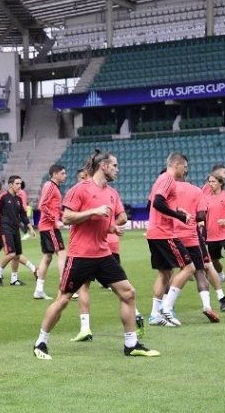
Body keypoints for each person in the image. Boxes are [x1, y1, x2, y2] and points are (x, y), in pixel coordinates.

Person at [33, 150, 159, 360]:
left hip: (103, 254)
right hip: (80, 256)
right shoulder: (80, 189)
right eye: (115, 166)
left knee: (128, 293)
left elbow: (115, 218)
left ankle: (131, 344)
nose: (118, 170)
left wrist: (112, 228)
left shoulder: (112, 193)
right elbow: (67, 217)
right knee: (63, 299)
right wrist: (93, 212)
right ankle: (41, 342)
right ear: (104, 166)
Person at [146, 153, 194, 328]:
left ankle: (154, 314)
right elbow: (158, 203)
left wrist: (178, 211)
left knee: (165, 273)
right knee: (189, 267)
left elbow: (152, 203)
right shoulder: (167, 179)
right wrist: (178, 217)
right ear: (175, 164)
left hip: (155, 232)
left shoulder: (161, 179)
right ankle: (167, 307)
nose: (185, 170)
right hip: (164, 233)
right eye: (185, 166)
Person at [174, 176, 222, 322]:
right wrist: (199, 221)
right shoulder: (196, 190)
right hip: (192, 236)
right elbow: (201, 215)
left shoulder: (169, 190)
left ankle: (167, 307)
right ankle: (207, 306)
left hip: (173, 235)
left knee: (167, 273)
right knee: (200, 271)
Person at [0, 175, 36, 287]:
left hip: (15, 229)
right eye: (17, 183)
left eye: (20, 184)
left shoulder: (19, 199)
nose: (19, 186)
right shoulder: (3, 196)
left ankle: (14, 279)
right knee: (11, 254)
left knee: (17, 255)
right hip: (5, 229)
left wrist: (30, 228)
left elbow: (24, 216)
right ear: (10, 185)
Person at [35, 164, 68, 300]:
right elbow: (42, 205)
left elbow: (52, 206)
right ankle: (65, 287)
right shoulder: (50, 185)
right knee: (62, 254)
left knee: (47, 257)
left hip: (46, 226)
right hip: (49, 227)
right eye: (63, 173)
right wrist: (55, 221)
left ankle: (39, 290)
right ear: (55, 174)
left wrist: (63, 215)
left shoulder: (54, 187)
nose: (65, 175)